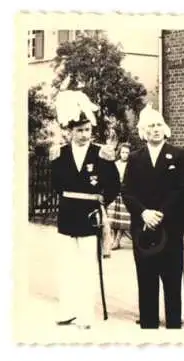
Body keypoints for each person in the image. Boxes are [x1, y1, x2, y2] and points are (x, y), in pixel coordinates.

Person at [50, 90, 120, 330]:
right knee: (67, 265)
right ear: (71, 131)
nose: (84, 134)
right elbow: (56, 185)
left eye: (88, 130)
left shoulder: (101, 153)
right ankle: (68, 310)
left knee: (88, 265)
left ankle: (85, 313)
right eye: (79, 130)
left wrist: (101, 204)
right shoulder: (59, 154)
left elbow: (114, 184)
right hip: (67, 216)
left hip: (91, 218)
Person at [122, 104, 184, 329]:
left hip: (170, 227)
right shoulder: (135, 157)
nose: (155, 129)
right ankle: (149, 322)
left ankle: (174, 322)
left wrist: (162, 214)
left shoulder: (179, 154)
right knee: (146, 278)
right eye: (151, 125)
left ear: (165, 128)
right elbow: (127, 191)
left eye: (159, 125)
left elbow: (183, 191)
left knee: (172, 278)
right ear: (143, 130)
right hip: (143, 228)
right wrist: (144, 212)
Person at [106, 142, 132, 252]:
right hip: (115, 192)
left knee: (122, 218)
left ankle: (118, 240)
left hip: (125, 192)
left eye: (127, 152)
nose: (124, 154)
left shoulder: (131, 165)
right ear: (119, 153)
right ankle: (112, 239)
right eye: (123, 152)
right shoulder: (116, 164)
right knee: (113, 216)